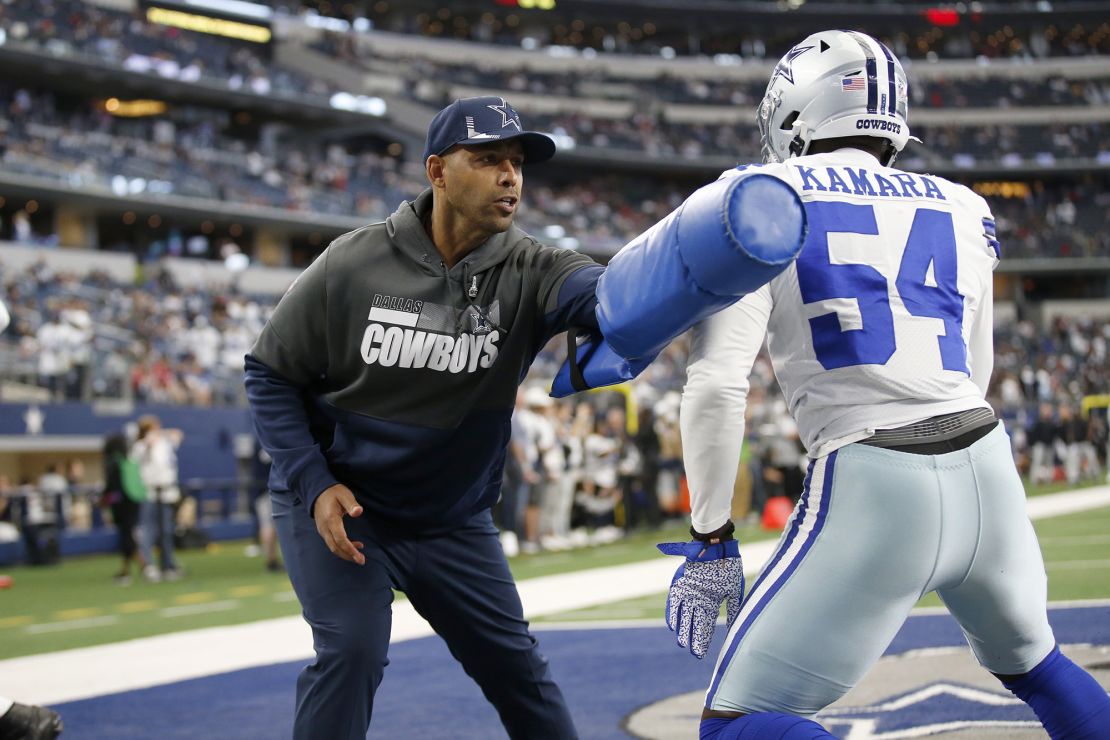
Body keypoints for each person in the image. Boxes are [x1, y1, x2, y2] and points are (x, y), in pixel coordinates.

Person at [664, 30, 1110, 740]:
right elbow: (976, 367)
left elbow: (718, 384)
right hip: (984, 461)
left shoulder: (757, 196)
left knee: (737, 724)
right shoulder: (964, 206)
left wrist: (711, 534)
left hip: (873, 471)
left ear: (796, 112)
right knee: (1038, 665)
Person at [243, 96, 604, 739]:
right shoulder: (352, 263)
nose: (510, 177)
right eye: (489, 158)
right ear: (437, 171)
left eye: (516, 163)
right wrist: (313, 483)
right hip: (348, 510)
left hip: (450, 521)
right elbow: (268, 372)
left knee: (516, 668)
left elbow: (599, 292)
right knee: (351, 653)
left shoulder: (532, 267)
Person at [131, 415, 184, 582]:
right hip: (151, 493)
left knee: (167, 531)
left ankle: (168, 565)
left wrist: (162, 435)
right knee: (148, 530)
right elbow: (134, 456)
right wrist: (148, 442)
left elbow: (177, 435)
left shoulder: (164, 442)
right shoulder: (140, 446)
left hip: (167, 493)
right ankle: (149, 566)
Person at [101, 432, 145, 584]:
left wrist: (105, 500)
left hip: (121, 505)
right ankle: (133, 569)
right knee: (128, 536)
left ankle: (142, 567)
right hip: (133, 502)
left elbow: (112, 488)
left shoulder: (113, 463)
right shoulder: (128, 461)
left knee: (126, 537)